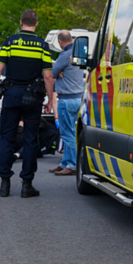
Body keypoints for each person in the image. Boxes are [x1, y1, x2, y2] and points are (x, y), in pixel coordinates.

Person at [0, 9, 55, 198]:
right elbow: (48, 76)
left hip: (11, 95)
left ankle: (4, 184)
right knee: (30, 139)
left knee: (7, 138)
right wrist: (50, 100)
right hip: (33, 98)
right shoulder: (42, 46)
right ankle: (27, 185)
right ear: (36, 24)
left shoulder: (9, 42)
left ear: (20, 22)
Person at [49, 30, 84, 176]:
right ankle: (64, 162)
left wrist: (57, 71)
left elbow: (52, 73)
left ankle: (73, 164)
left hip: (67, 99)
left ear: (60, 42)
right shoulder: (78, 54)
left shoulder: (64, 55)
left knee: (67, 134)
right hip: (77, 99)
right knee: (71, 132)